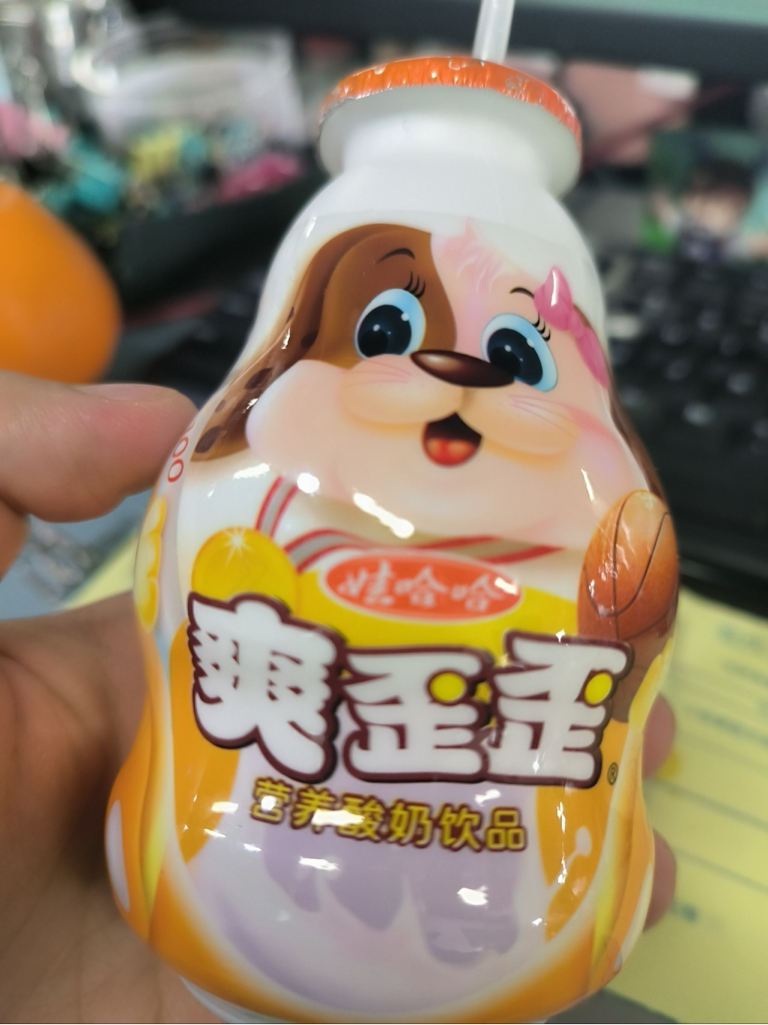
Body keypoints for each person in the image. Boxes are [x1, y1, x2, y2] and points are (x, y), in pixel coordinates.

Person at [0, 370, 676, 1022]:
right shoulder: (252, 505)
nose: (458, 375)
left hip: (498, 926)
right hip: (212, 895)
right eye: (383, 336)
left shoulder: (596, 527)